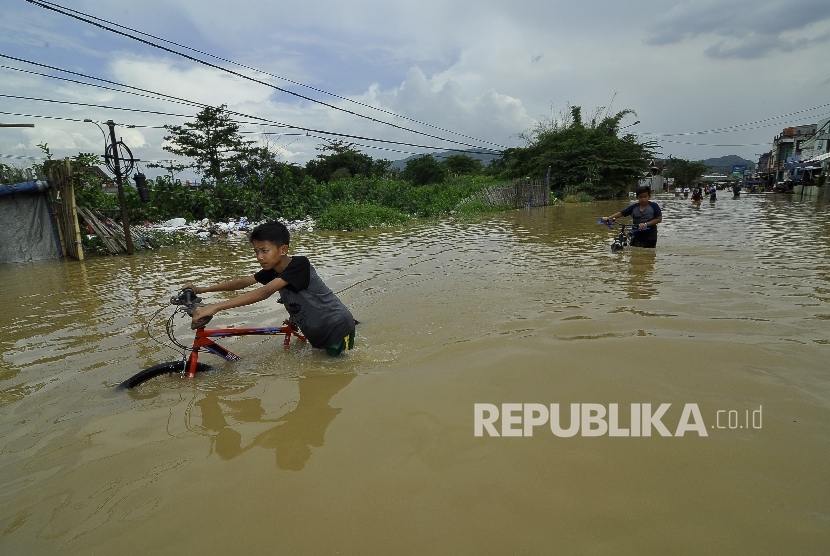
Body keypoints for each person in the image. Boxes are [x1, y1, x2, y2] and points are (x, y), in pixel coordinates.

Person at [185, 221, 356, 356]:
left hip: (336, 329)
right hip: (315, 331)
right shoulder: (272, 270)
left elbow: (265, 292)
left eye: (265, 250)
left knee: (334, 376)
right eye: (256, 251)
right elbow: (242, 282)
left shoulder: (299, 264)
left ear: (283, 249)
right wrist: (201, 289)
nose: (260, 257)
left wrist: (215, 307)